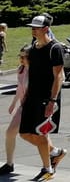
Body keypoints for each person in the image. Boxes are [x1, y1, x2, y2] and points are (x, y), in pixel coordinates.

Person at [20, 15, 66, 181]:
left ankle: (48, 169)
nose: (33, 30)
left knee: (41, 135)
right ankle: (55, 152)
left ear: (46, 28)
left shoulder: (55, 48)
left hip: (47, 98)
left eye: (36, 27)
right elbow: (33, 73)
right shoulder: (34, 46)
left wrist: (52, 101)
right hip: (32, 96)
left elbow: (59, 76)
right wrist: (25, 94)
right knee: (24, 133)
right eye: (32, 27)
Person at [1, 46, 29, 175]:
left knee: (37, 136)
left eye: (24, 57)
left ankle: (53, 154)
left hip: (32, 107)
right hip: (23, 107)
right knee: (10, 132)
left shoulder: (35, 71)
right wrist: (13, 103)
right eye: (20, 56)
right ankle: (9, 164)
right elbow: (19, 88)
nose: (21, 59)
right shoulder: (21, 70)